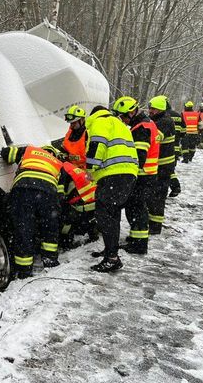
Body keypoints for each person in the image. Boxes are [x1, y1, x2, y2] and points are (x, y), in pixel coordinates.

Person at [1, 144, 66, 278]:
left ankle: (24, 269)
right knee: (50, 227)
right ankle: (50, 260)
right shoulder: (58, 163)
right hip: (48, 191)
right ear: (54, 153)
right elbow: (60, 193)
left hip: (22, 189)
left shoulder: (29, 151)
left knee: (23, 229)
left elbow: (7, 153)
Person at [85, 106, 138, 272]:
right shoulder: (119, 124)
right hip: (127, 173)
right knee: (112, 214)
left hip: (114, 173)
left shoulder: (100, 121)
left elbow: (97, 145)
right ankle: (110, 251)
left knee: (104, 214)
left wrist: (90, 169)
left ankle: (112, 258)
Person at [111, 96, 159, 255]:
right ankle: (136, 238)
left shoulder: (141, 128)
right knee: (136, 208)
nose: (123, 120)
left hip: (142, 176)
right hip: (147, 175)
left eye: (123, 116)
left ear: (131, 112)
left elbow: (139, 156)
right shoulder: (146, 123)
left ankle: (139, 244)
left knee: (136, 209)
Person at [147, 96, 177, 237]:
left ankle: (155, 226)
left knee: (158, 197)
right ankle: (152, 223)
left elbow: (154, 137)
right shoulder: (159, 120)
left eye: (153, 109)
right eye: (150, 108)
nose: (150, 111)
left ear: (160, 109)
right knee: (153, 196)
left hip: (163, 166)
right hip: (160, 165)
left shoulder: (164, 121)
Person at [57, 158, 97, 250]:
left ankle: (66, 242)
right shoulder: (69, 166)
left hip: (84, 203)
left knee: (66, 216)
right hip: (93, 200)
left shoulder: (61, 169)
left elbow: (61, 192)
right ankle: (92, 231)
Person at [52, 105, 88, 169]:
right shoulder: (70, 133)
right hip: (73, 170)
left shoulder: (88, 134)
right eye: (71, 123)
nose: (72, 126)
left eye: (74, 123)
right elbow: (65, 148)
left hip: (86, 171)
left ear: (82, 120)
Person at [164, 97, 185, 197]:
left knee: (167, 170)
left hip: (165, 148)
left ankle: (175, 187)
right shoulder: (178, 115)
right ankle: (175, 187)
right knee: (170, 169)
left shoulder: (162, 116)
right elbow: (184, 131)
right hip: (176, 148)